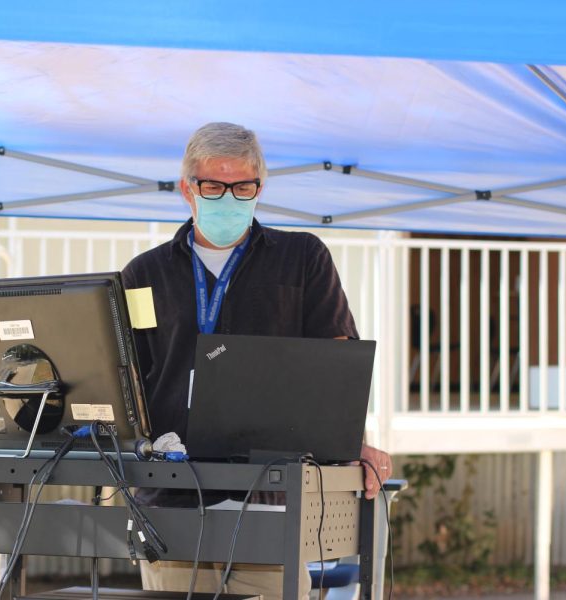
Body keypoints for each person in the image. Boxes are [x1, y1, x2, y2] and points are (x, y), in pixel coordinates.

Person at [121, 122, 392, 600]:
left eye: (242, 186)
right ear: (188, 190)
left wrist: (353, 441)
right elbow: (126, 377)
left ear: (259, 189)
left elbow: (335, 363)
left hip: (271, 497)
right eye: (213, 186)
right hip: (171, 500)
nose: (228, 197)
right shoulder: (144, 274)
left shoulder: (302, 258)